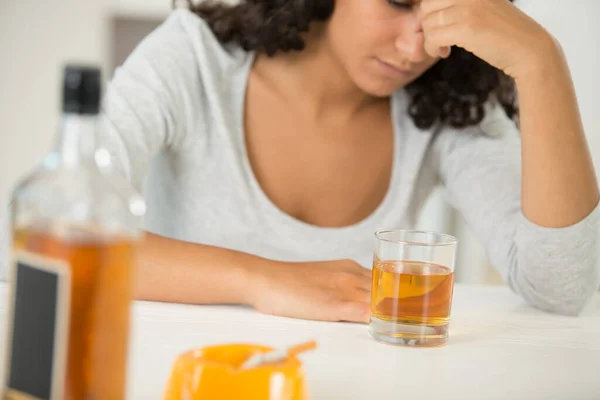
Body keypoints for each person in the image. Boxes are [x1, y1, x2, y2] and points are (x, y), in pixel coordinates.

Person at [68, 0, 600, 321]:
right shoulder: (193, 60)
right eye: (398, 1)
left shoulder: (450, 104)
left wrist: (541, 62)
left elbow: (557, 288)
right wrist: (262, 281)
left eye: (443, 12)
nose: (418, 47)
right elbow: (59, 235)